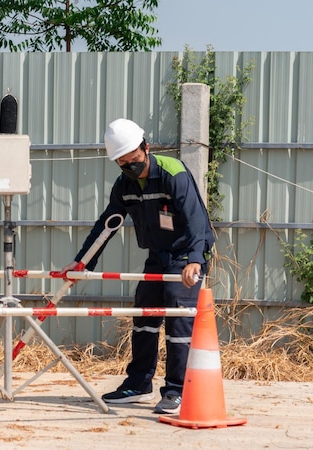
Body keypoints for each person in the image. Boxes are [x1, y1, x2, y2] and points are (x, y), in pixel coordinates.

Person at [61, 118, 214, 414]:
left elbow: (197, 220)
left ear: (146, 147)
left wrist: (195, 259)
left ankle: (176, 391)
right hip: (157, 256)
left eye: (134, 160)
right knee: (144, 316)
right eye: (122, 163)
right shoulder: (124, 185)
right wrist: (83, 262)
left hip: (184, 255)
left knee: (177, 323)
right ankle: (138, 383)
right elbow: (107, 225)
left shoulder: (173, 173)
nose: (130, 167)